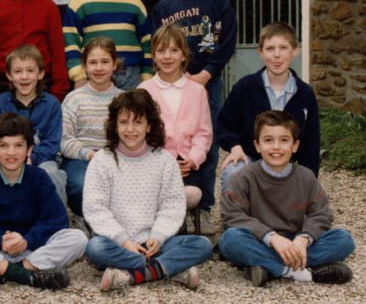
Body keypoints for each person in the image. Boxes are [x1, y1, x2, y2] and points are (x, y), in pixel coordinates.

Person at [84, 90, 213, 292]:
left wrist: (158, 237)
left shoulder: (165, 160)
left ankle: (133, 274)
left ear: (149, 126)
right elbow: (95, 208)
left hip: (156, 243)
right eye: (123, 122)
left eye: (138, 122)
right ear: (115, 126)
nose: (130, 129)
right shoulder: (102, 160)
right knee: (95, 248)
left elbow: (172, 205)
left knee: (202, 245)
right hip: (117, 243)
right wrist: (124, 241)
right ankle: (169, 268)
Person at [150, 0, 238, 230]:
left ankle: (204, 207)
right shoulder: (165, 7)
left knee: (205, 143)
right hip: (171, 78)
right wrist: (176, 73)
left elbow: (226, 42)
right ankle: (165, 204)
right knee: (169, 136)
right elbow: (157, 44)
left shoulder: (218, 3)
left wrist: (205, 75)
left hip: (207, 81)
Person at [0, 113, 87, 290]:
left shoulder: (39, 177)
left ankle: (1, 273)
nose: (11, 152)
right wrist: (0, 239)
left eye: (18, 145)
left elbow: (56, 221)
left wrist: (27, 240)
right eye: (3, 145)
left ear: (29, 150)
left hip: (32, 250)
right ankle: (28, 276)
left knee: (78, 238)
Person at [218, 110, 355, 287]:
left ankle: (268, 267)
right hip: (259, 240)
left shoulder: (306, 177)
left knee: (344, 239)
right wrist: (272, 237)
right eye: (268, 140)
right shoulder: (243, 177)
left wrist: (304, 239)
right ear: (257, 145)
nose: (276, 147)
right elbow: (233, 216)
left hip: (295, 241)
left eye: (284, 140)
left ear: (295, 145)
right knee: (230, 240)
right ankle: (299, 272)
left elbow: (321, 214)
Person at [217, 22, 319, 191]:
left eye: (283, 48)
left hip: (287, 162)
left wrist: (308, 182)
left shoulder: (305, 94)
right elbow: (224, 125)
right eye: (270, 48)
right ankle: (236, 209)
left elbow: (311, 144)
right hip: (251, 158)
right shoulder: (245, 87)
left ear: (295, 51)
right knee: (233, 172)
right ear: (261, 52)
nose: (277, 55)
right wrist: (234, 147)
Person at [139, 25, 212, 233]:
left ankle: (175, 222)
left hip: (187, 164)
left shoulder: (197, 91)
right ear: (153, 56)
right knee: (160, 194)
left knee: (192, 193)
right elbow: (140, 136)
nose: (167, 56)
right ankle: (171, 227)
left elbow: (204, 132)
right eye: (161, 51)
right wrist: (166, 164)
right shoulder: (144, 91)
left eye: (174, 50)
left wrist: (194, 158)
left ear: (183, 55)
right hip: (155, 164)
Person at [63, 0, 152, 91]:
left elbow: (146, 42)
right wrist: (78, 75)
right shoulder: (80, 2)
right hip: (93, 74)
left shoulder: (135, 3)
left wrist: (147, 76)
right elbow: (70, 41)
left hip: (130, 74)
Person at [0, 45, 67, 205]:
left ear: (40, 73)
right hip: (8, 159)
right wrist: (17, 157)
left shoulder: (52, 104)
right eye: (18, 71)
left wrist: (30, 158)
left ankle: (57, 218)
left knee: (52, 174)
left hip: (44, 159)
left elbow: (52, 143)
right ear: (9, 75)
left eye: (30, 71)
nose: (24, 77)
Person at [61, 37, 123, 220]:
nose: (99, 68)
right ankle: (84, 219)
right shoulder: (74, 99)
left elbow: (132, 135)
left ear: (114, 64)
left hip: (117, 157)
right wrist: (89, 154)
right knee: (80, 184)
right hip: (81, 159)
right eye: (93, 62)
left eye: (105, 62)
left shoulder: (124, 99)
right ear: (84, 66)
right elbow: (64, 139)